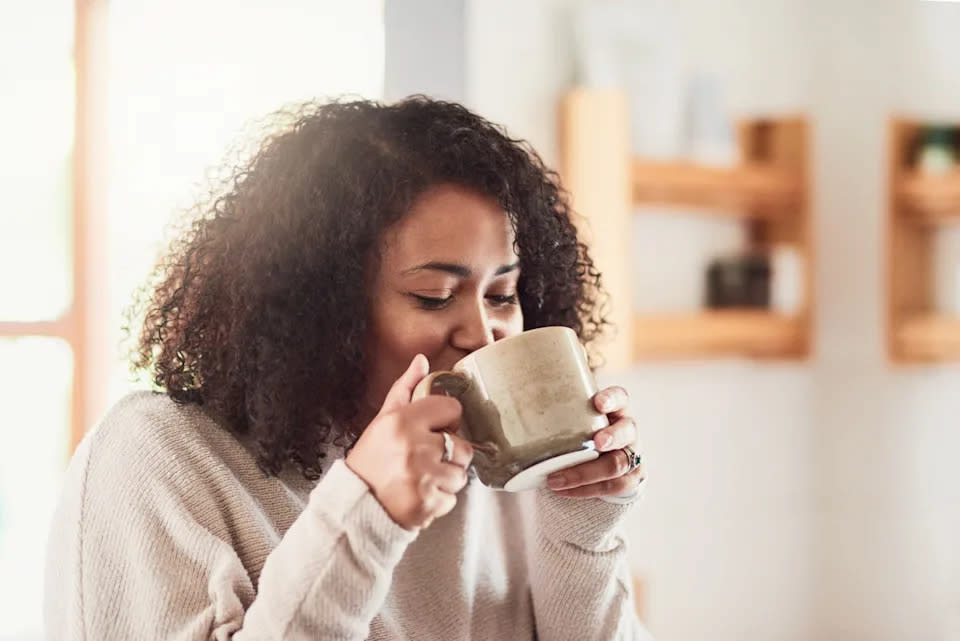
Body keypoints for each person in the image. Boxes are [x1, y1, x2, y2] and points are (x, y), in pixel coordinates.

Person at [44, 96, 651, 640]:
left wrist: (583, 531)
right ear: (321, 307)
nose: (483, 333)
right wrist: (367, 512)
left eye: (502, 295)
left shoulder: (505, 475)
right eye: (435, 296)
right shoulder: (161, 456)